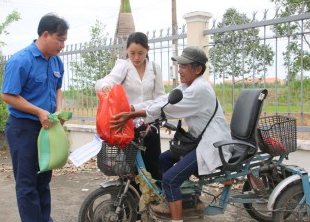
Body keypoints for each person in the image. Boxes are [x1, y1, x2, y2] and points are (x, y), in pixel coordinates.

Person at [110, 46, 233, 222]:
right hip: (198, 140)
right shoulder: (186, 86)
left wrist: (132, 115)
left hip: (211, 144)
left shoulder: (199, 89)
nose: (179, 70)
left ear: (197, 69)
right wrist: (132, 108)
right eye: (179, 65)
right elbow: (162, 101)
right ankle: (179, 199)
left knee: (170, 179)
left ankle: (177, 218)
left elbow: (169, 108)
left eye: (184, 66)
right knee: (163, 159)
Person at [1, 13, 69, 222]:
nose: (63, 45)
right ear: (46, 34)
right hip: (24, 128)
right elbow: (7, 94)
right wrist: (38, 111)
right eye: (60, 39)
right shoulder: (21, 60)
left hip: (47, 128)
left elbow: (58, 89)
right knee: (27, 183)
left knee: (43, 180)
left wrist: (58, 110)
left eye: (65, 40)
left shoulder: (56, 62)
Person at [95, 31, 166, 181]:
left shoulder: (154, 67)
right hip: (128, 124)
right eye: (132, 53)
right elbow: (104, 82)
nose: (136, 57)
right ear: (127, 50)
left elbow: (160, 96)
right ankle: (130, 202)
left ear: (148, 50)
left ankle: (153, 201)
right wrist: (106, 86)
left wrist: (161, 114)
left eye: (141, 53)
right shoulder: (124, 66)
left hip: (149, 123)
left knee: (152, 165)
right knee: (129, 168)